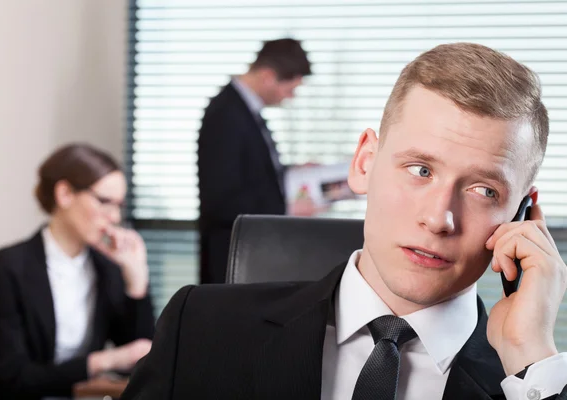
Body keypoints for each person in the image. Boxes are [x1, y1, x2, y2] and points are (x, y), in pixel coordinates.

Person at [122, 43, 567, 400]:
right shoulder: (200, 329)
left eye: (484, 191)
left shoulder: (527, 383)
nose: (438, 218)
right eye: (420, 170)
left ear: (522, 216)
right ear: (364, 163)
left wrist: (530, 360)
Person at [0, 144, 155, 399]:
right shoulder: (9, 265)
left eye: (119, 205)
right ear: (65, 193)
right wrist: (102, 361)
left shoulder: (107, 267)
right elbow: (12, 376)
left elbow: (141, 361)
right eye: (104, 202)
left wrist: (137, 280)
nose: (114, 217)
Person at [197, 38, 313, 284]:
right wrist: (286, 207)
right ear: (269, 76)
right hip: (230, 261)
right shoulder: (225, 114)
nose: (289, 97)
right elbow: (221, 200)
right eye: (290, 89)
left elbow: (252, 176)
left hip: (248, 254)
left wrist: (290, 173)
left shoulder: (246, 112)